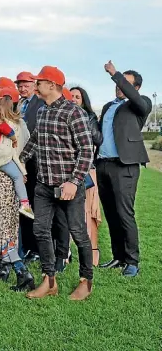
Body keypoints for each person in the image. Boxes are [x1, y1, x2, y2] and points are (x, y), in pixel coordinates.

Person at [20, 66, 94, 300]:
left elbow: (86, 150)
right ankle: (49, 281)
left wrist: (74, 181)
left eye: (39, 81)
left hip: (68, 185)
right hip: (44, 184)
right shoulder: (41, 112)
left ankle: (86, 281)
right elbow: (34, 141)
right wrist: (20, 161)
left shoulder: (74, 113)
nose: (36, 85)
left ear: (52, 85)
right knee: (41, 231)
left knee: (78, 233)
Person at [96, 61, 152, 277]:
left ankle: (132, 261)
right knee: (110, 213)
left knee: (124, 213)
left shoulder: (140, 103)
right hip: (103, 164)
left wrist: (115, 73)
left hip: (124, 166)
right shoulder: (109, 106)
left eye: (125, 84)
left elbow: (135, 98)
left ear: (135, 87)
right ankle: (118, 257)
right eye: (118, 83)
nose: (119, 86)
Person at [14, 71, 46, 261]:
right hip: (19, 161)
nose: (22, 87)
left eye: (26, 84)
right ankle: (26, 245)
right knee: (22, 204)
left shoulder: (40, 104)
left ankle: (36, 248)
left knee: (34, 204)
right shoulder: (19, 105)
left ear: (34, 85)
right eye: (20, 84)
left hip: (35, 162)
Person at [70, 86, 103, 266]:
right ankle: (65, 252)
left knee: (89, 212)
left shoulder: (90, 117)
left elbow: (98, 139)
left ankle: (93, 251)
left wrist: (86, 124)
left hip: (87, 169)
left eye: (78, 96)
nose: (74, 99)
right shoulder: (64, 116)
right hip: (67, 170)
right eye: (72, 96)